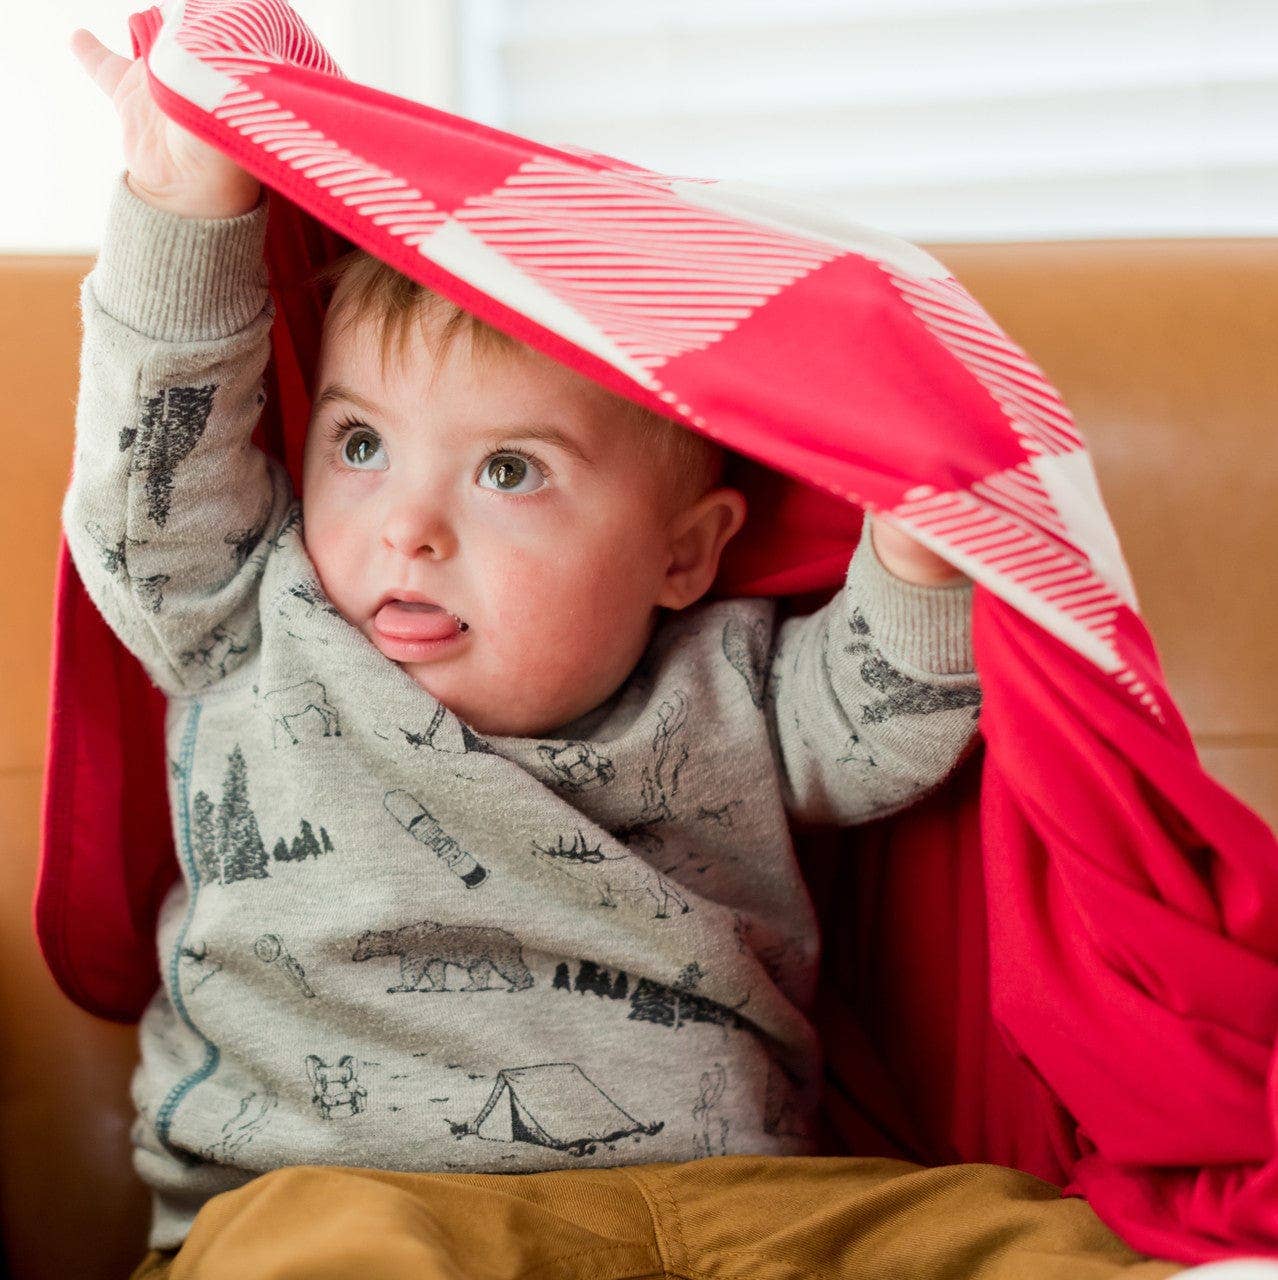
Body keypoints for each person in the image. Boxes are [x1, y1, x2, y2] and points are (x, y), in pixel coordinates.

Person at [64, 26, 1208, 1280]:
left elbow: (879, 722)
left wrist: (921, 537)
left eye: (510, 470)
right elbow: (150, 481)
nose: (407, 526)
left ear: (685, 554)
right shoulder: (250, 613)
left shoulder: (730, 676)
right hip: (351, 1189)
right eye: (359, 444)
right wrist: (188, 196)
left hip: (743, 1194)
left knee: (1020, 1231)